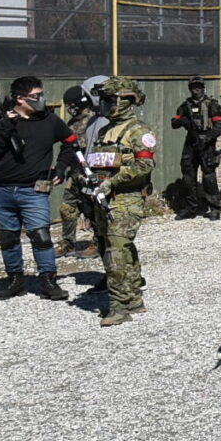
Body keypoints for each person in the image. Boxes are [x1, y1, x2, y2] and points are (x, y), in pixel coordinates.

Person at [0, 74, 69, 302]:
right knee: (8, 238)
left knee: (41, 236)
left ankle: (48, 280)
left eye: (41, 94)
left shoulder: (50, 121)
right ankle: (15, 281)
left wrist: (60, 169)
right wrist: (5, 129)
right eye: (36, 96)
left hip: (34, 190)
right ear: (20, 99)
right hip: (1, 190)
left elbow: (71, 142)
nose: (42, 99)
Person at [76, 77, 159, 327]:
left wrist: (112, 182)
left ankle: (119, 306)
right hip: (103, 199)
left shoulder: (138, 131)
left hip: (126, 200)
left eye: (110, 100)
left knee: (117, 252)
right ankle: (133, 298)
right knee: (113, 247)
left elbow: (144, 165)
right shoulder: (104, 131)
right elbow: (99, 162)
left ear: (125, 101)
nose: (105, 105)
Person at [171, 78, 221, 219]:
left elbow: (218, 128)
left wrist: (206, 138)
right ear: (190, 88)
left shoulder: (212, 105)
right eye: (194, 86)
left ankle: (214, 209)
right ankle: (191, 208)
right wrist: (183, 121)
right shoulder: (185, 106)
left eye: (199, 86)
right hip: (190, 145)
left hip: (206, 146)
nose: (196, 89)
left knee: (209, 177)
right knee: (188, 177)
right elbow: (174, 123)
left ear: (203, 87)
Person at [53, 82, 96, 255]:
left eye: (72, 105)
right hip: (75, 172)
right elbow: (67, 147)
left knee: (93, 208)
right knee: (67, 208)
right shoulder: (72, 123)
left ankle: (98, 242)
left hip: (91, 172)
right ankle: (68, 242)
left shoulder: (95, 120)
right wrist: (61, 167)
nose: (70, 109)